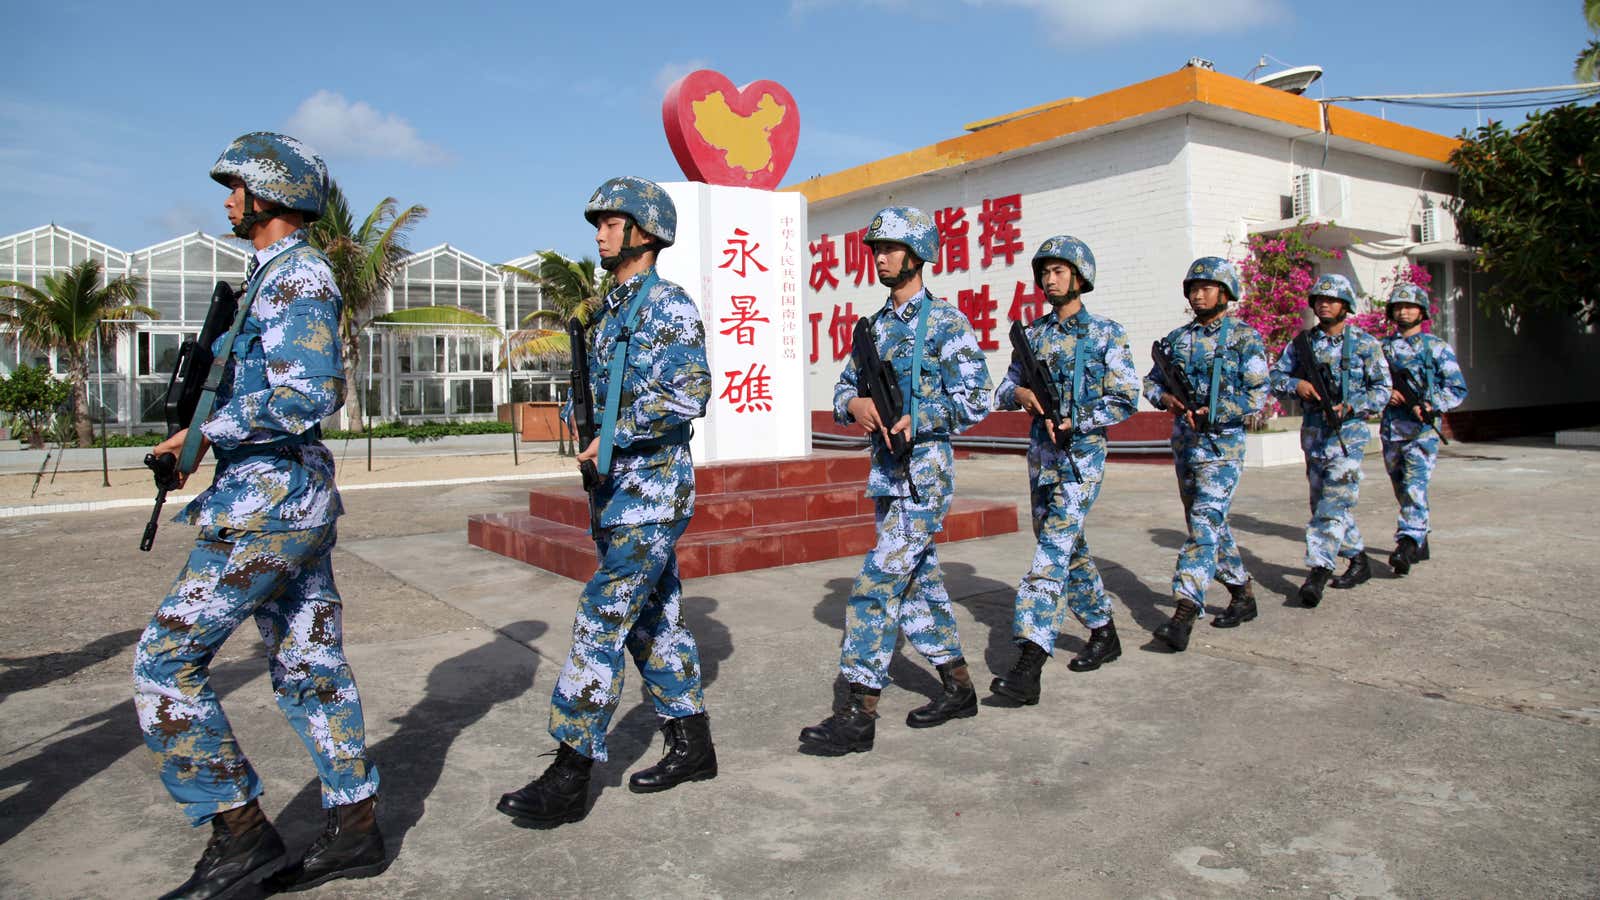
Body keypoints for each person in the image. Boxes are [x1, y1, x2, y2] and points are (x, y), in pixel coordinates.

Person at [133, 132, 385, 899]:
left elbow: (310, 394)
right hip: (279, 498)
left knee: (164, 664)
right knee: (310, 665)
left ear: (269, 193)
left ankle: (238, 832)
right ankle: (357, 827)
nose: (226, 199)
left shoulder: (297, 276)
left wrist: (209, 432)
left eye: (235, 186)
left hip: (267, 507)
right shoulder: (270, 273)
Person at [497, 176, 716, 827]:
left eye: (611, 223)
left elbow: (690, 393)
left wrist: (616, 431)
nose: (598, 233)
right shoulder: (608, 312)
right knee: (654, 625)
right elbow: (599, 395)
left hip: (651, 496)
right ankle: (693, 744)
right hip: (615, 497)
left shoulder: (666, 307)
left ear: (645, 233)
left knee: (602, 617)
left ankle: (570, 772)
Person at [798, 206, 992, 754]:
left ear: (918, 254)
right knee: (918, 588)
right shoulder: (874, 328)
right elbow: (841, 392)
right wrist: (854, 403)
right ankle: (959, 688)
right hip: (887, 476)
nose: (879, 257)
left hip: (925, 477)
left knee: (875, 586)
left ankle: (856, 714)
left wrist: (921, 416)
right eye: (875, 248)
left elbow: (976, 398)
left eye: (890, 248)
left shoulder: (946, 323)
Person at [989, 235, 1139, 704]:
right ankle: (1103, 630)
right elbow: (1003, 388)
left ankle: (1030, 659)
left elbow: (1127, 397)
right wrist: (1020, 396)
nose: (1049, 279)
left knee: (1050, 555)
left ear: (1079, 277)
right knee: (1066, 548)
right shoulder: (1033, 337)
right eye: (1044, 272)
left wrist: (1081, 418)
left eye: (1058, 271)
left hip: (1082, 459)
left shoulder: (1107, 334)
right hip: (1042, 459)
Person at [1143, 257, 1270, 650]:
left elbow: (1257, 394)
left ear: (1226, 292)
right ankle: (1241, 592)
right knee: (1211, 526)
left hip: (1222, 446)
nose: (1198, 295)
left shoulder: (1244, 338)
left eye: (1207, 287)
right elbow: (1149, 383)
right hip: (1186, 445)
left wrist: (1216, 410)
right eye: (1193, 289)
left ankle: (1184, 609)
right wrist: (1166, 399)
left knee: (1202, 525)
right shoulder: (1177, 340)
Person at [1270, 273, 1391, 607]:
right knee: (1323, 502)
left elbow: (1382, 390)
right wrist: (1297, 386)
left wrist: (1353, 405)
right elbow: (1275, 376)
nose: (1324, 304)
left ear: (1346, 306)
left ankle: (1318, 570)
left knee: (1333, 504)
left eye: (1332, 299)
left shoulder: (1365, 343)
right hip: (1313, 434)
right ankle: (1359, 559)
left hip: (1347, 435)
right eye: (1319, 299)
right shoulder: (1301, 345)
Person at [1379, 283, 1466, 575]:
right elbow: (1367, 383)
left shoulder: (1436, 347)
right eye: (1398, 307)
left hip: (1421, 431)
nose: (1404, 311)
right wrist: (1385, 393)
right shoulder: (1383, 349)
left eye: (1410, 306)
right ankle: (1420, 536)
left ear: (1422, 311)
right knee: (1402, 487)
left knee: (1415, 487)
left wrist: (1431, 404)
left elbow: (1456, 388)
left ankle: (1405, 543)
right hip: (1392, 429)